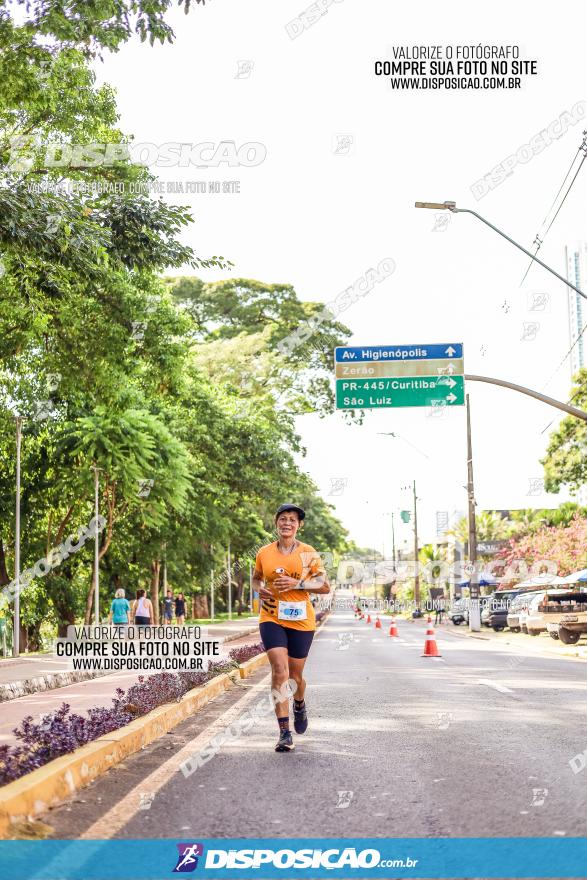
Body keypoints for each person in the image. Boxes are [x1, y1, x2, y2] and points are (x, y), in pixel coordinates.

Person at [252, 503, 330, 753]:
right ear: (276, 523)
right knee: (279, 670)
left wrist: (298, 583)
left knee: (296, 677)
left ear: (299, 526)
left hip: (300, 620)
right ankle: (284, 732)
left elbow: (324, 585)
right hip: (271, 616)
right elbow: (256, 577)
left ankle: (299, 702)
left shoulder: (308, 553)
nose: (287, 523)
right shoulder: (264, 552)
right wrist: (257, 589)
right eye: (283, 519)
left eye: (292, 520)